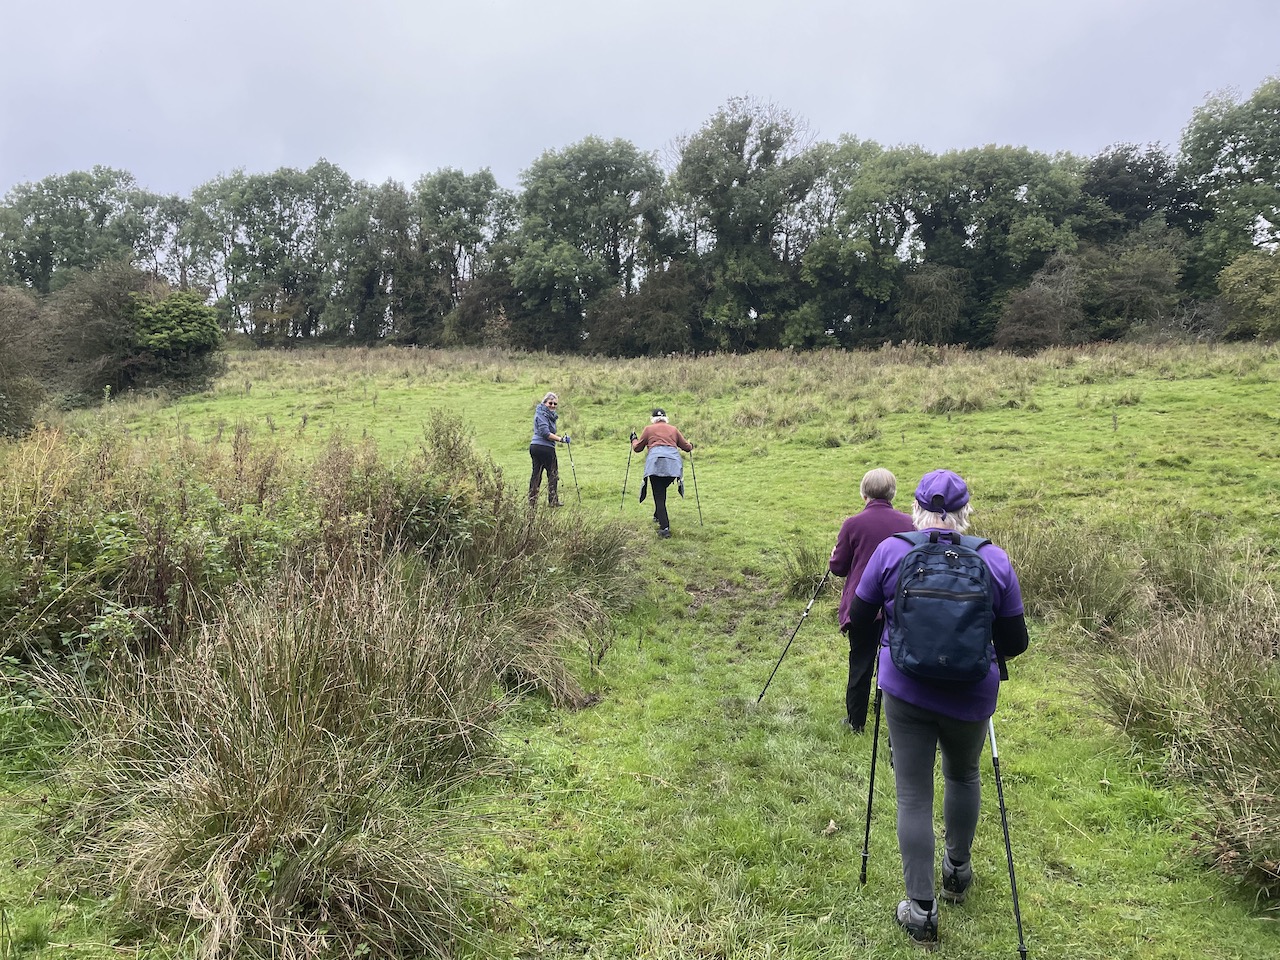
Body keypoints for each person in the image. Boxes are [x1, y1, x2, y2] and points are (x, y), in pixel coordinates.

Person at [847, 469, 1029, 949]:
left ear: (917, 508)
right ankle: (957, 872)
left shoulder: (892, 552)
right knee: (964, 775)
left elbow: (861, 615)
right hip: (971, 693)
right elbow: (1016, 641)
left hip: (906, 690)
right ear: (966, 511)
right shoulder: (993, 560)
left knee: (912, 795)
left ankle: (921, 910)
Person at [828, 468, 914, 734]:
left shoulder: (852, 524)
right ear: (893, 493)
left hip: (863, 605)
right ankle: (892, 710)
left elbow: (839, 567)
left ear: (863, 493)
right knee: (896, 658)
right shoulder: (910, 524)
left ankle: (856, 721)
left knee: (861, 661)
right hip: (900, 605)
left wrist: (834, 555)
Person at [630, 408, 693, 539]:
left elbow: (637, 448)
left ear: (653, 419)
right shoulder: (673, 429)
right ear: (666, 418)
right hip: (673, 466)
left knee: (659, 496)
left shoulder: (648, 429)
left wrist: (633, 439)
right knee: (661, 491)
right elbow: (686, 447)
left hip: (656, 463)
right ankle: (657, 515)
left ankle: (665, 528)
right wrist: (691, 445)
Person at [528, 391, 570, 508]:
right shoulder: (541, 414)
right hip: (544, 448)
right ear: (544, 403)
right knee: (552, 474)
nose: (552, 405)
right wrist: (561, 439)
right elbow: (546, 433)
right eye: (550, 403)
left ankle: (532, 501)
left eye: (555, 404)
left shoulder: (548, 415)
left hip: (536, 447)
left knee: (536, 474)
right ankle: (553, 501)